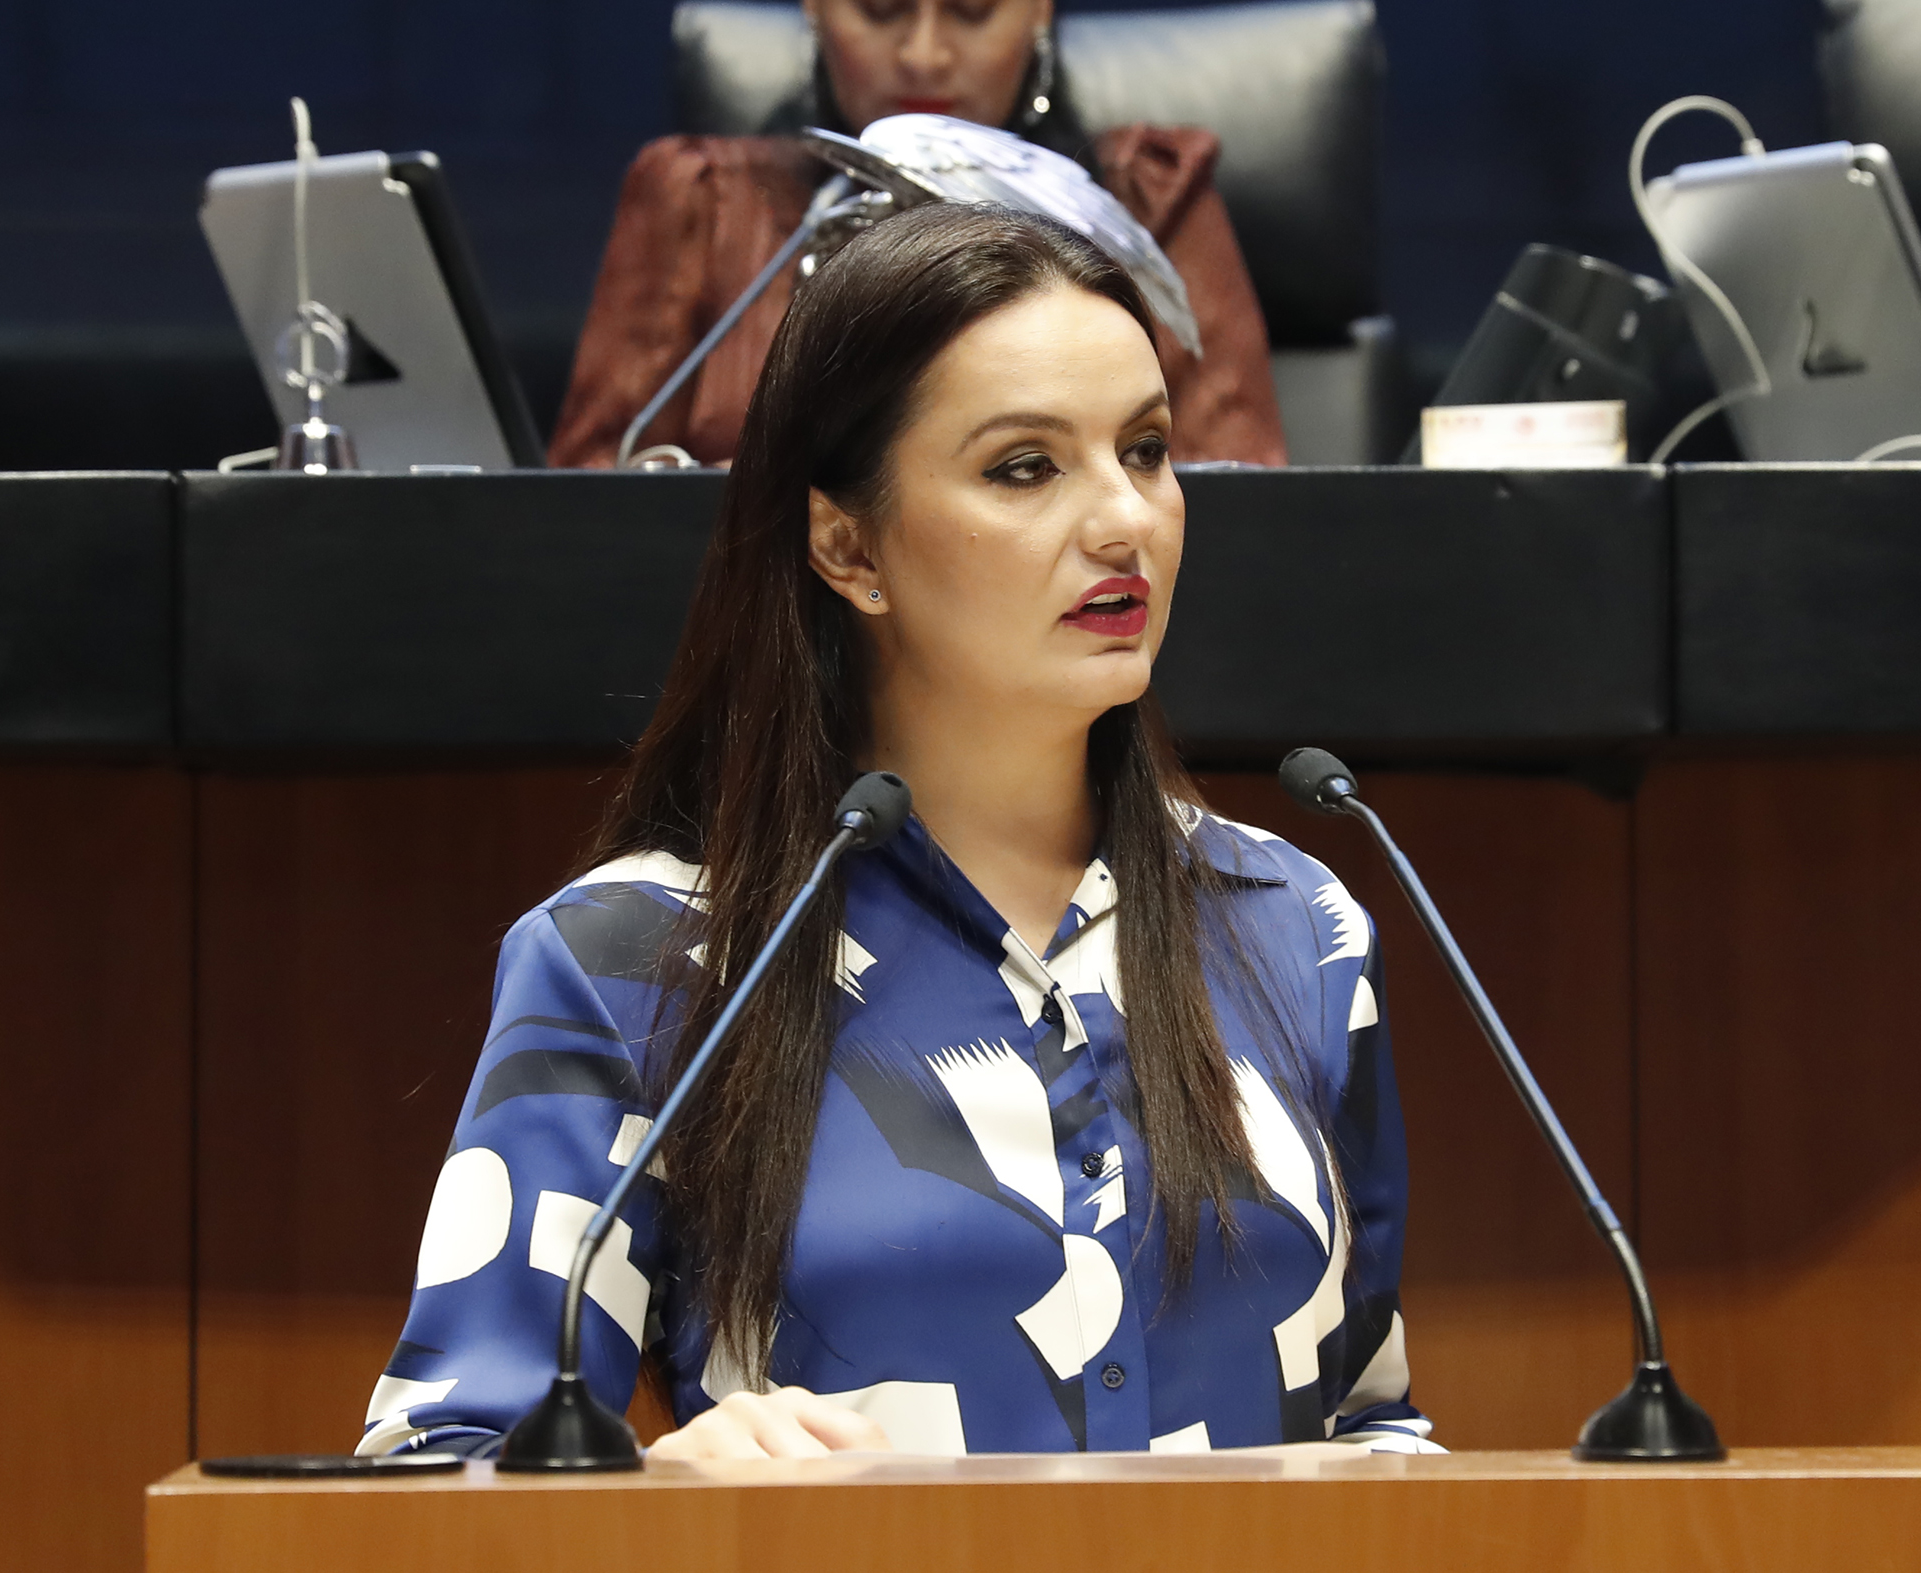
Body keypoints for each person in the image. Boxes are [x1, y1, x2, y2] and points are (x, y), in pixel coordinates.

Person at [364, 204, 1424, 1459]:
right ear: (847, 545)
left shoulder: (1294, 924)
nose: (1124, 519)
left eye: (1144, 449)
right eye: (1024, 466)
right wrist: (655, 1488)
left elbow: (1371, 1424)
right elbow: (437, 1463)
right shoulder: (637, 960)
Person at [546, 0, 1286, 471]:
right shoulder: (700, 197)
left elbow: (1244, 504)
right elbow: (581, 513)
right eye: (880, 9)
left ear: (1038, 10)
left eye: (972, 11)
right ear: (814, 7)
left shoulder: (1149, 200)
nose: (924, 55)